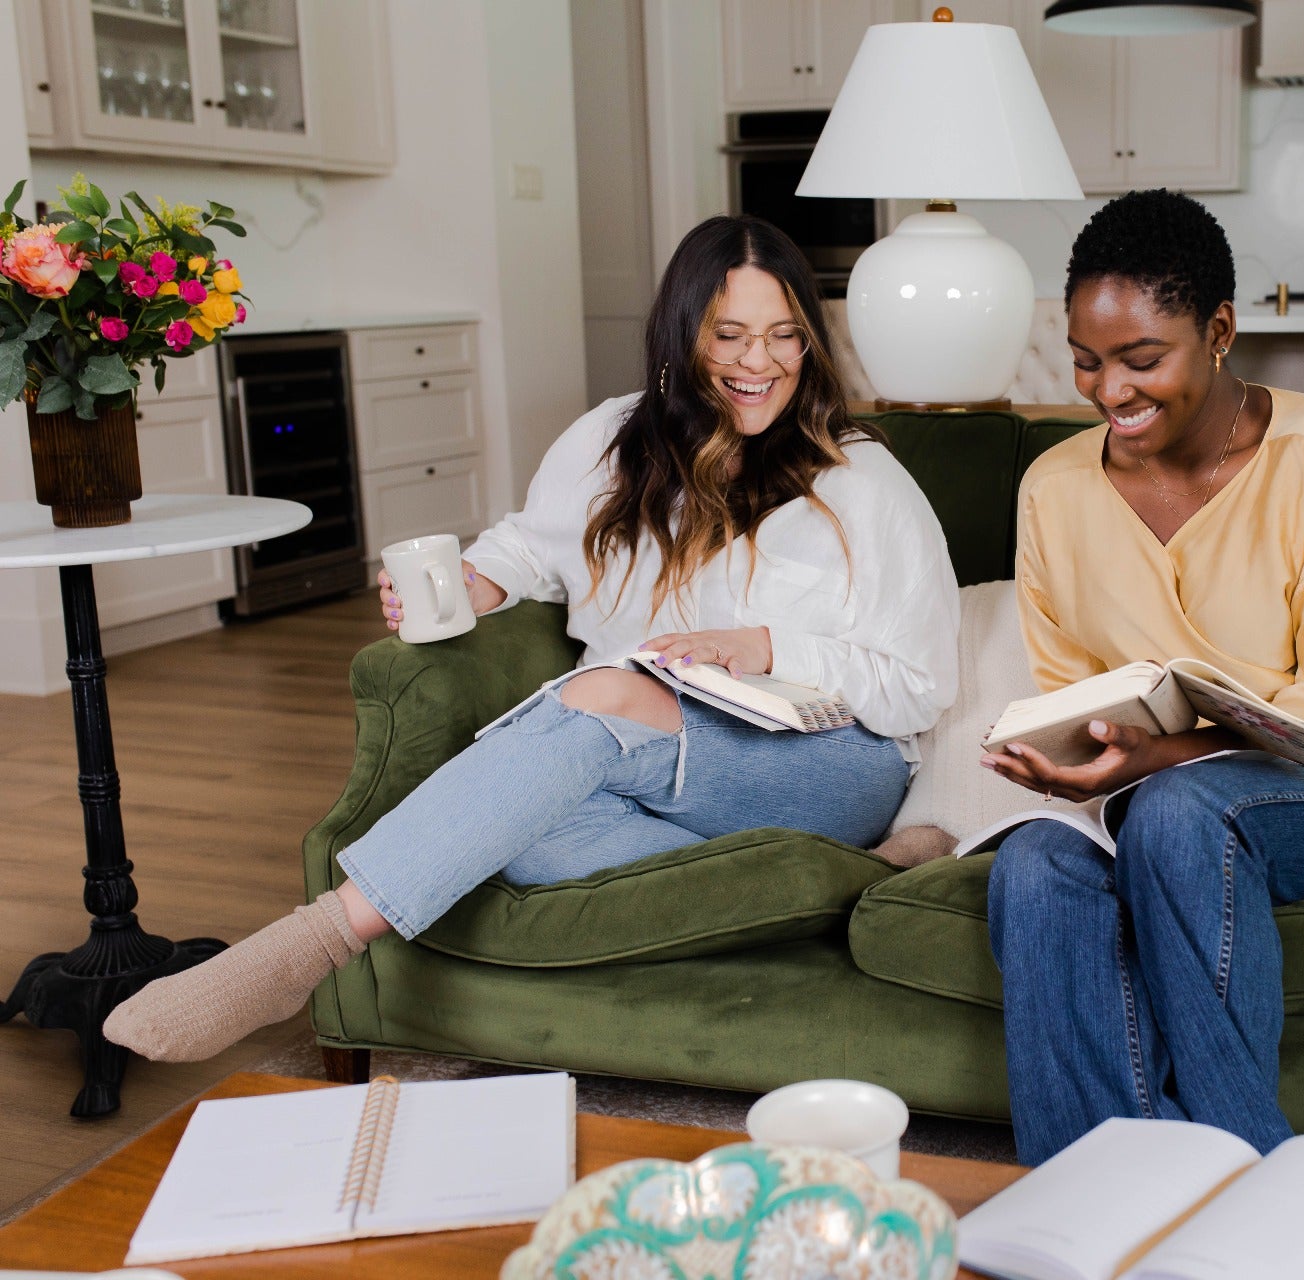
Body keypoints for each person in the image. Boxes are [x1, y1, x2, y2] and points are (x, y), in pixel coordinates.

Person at [107, 215, 961, 1063]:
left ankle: (306, 948)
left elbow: (919, 685)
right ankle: (849, 878)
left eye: (783, 337)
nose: (757, 362)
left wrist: (769, 646)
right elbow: (527, 546)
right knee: (508, 826)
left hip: (823, 759)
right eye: (727, 334)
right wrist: (472, 584)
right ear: (679, 334)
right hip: (643, 754)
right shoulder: (609, 442)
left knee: (592, 708)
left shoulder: (864, 482)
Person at [982, 190, 1304, 1165]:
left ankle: (1250, 1187)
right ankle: (1103, 1200)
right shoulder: (1055, 489)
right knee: (1033, 864)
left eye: (1141, 359)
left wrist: (1171, 755)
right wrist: (1074, 755)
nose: (1108, 390)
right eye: (1084, 358)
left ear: (1221, 332)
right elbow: (1072, 689)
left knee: (1182, 813)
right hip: (1156, 792)